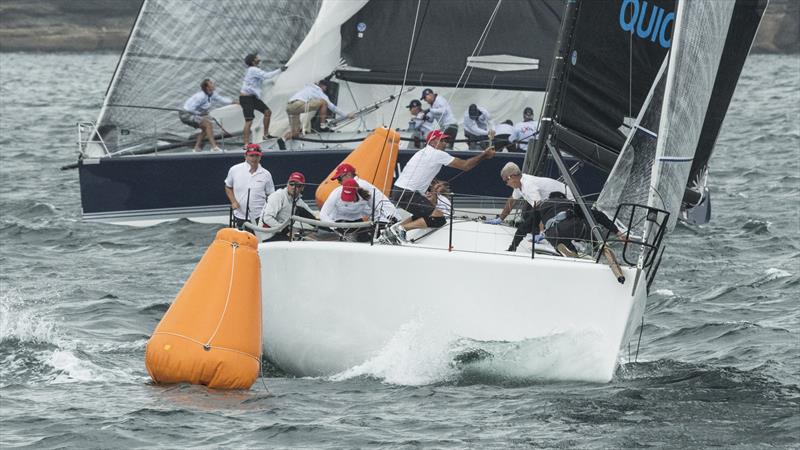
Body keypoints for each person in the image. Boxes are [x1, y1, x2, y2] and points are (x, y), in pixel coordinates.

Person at [385, 129, 495, 243]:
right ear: (432, 142)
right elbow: (465, 165)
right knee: (439, 219)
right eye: (442, 140)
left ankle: (392, 230)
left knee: (425, 214)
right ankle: (401, 229)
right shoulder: (436, 154)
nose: (445, 143)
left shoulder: (422, 152)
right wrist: (484, 155)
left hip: (399, 191)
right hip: (407, 192)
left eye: (446, 140)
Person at [505, 191, 626, 255]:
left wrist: (512, 247)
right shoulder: (570, 203)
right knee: (590, 233)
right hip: (573, 226)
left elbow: (523, 228)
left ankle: (565, 249)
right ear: (563, 198)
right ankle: (601, 249)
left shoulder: (542, 206)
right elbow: (598, 216)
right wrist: (617, 231)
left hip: (553, 233)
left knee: (560, 241)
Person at [487, 162, 574, 225]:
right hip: (557, 202)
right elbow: (512, 200)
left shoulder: (528, 184)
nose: (506, 184)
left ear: (512, 177)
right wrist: (500, 219)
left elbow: (539, 207)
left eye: (506, 181)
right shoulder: (519, 184)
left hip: (570, 200)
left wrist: (542, 232)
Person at [224, 144, 275, 230]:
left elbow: (271, 195)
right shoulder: (234, 170)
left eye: (257, 156)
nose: (254, 158)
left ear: (260, 157)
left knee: (258, 241)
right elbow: (228, 187)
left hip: (259, 216)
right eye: (251, 155)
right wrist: (233, 201)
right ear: (245, 156)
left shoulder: (266, 174)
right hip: (239, 215)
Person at [240, 53, 286, 145]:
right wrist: (280, 70)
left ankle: (265, 134)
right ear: (253, 61)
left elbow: (262, 81)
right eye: (257, 58)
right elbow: (266, 76)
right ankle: (246, 143)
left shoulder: (254, 70)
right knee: (249, 120)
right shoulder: (253, 69)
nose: (259, 59)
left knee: (267, 112)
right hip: (246, 98)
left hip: (252, 98)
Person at [284, 79, 353, 141]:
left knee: (295, 134)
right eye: (326, 87)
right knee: (324, 102)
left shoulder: (308, 86)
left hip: (289, 107)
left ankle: (283, 139)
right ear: (322, 86)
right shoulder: (319, 91)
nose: (325, 89)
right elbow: (332, 107)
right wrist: (346, 115)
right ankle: (322, 126)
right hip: (298, 104)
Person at [329, 163, 397, 223]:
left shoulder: (358, 185)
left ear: (349, 175)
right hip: (381, 218)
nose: (339, 182)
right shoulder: (359, 184)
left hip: (386, 218)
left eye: (339, 179)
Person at [259, 172, 316, 242]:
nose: (294, 187)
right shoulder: (278, 196)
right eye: (291, 184)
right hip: (268, 236)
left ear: (302, 188)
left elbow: (312, 216)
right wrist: (285, 230)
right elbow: (267, 218)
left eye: (297, 185)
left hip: (282, 233)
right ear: (287, 184)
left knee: (306, 239)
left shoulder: (298, 200)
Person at [180, 78, 234, 152]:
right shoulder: (201, 97)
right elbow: (190, 109)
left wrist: (234, 102)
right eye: (211, 84)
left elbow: (221, 99)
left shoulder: (212, 94)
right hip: (186, 114)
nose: (213, 84)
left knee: (206, 129)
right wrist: (200, 114)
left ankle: (196, 148)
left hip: (194, 114)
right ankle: (214, 147)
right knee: (208, 125)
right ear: (207, 87)